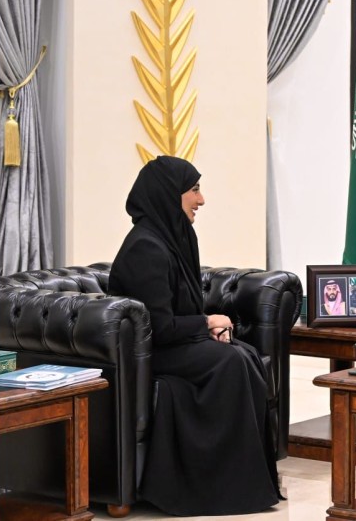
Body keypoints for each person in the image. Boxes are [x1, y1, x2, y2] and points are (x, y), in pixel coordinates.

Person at [108, 156, 283, 516]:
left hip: (174, 343)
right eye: (194, 190)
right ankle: (217, 487)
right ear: (169, 193)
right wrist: (205, 323)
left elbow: (182, 309)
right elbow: (158, 327)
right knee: (230, 362)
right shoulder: (145, 247)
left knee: (246, 355)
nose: (201, 200)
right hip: (149, 353)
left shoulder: (176, 237)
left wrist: (209, 326)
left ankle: (247, 481)